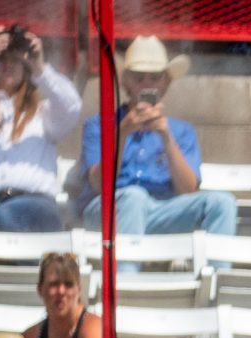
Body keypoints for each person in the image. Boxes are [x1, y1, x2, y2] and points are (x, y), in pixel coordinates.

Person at [76, 36, 235, 249]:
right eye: (139, 77)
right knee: (134, 198)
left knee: (222, 203)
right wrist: (121, 134)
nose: (147, 84)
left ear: (166, 82)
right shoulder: (98, 125)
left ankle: (219, 279)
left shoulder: (181, 131)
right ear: (125, 81)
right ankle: (129, 279)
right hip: (109, 210)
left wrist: (166, 138)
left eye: (155, 77)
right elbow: (98, 182)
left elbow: (187, 189)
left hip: (163, 211)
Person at [0, 24, 79, 232]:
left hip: (36, 206)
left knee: (3, 217)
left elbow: (72, 106)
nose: (9, 66)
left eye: (16, 60)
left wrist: (40, 67)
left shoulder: (43, 113)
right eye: (2, 60)